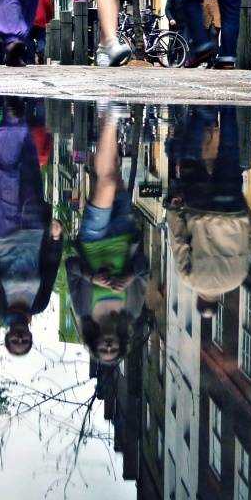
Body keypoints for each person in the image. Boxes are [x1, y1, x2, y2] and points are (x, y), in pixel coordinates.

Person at [0, 98, 64, 355]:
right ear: (30, 336)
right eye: (25, 343)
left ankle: (10, 113)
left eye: (15, 342)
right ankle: (23, 111)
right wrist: (56, 239)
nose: (20, 339)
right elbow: (50, 267)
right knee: (28, 166)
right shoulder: (40, 303)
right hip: (34, 226)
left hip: (3, 227)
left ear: (8, 337)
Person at [66, 102, 149, 364]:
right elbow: (145, 268)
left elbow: (70, 267)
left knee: (107, 182)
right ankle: (105, 111)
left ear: (95, 343)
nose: (109, 346)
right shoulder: (132, 310)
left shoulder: (83, 310)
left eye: (103, 349)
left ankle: (111, 118)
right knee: (112, 170)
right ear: (122, 344)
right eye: (113, 350)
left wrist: (91, 277)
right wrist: (129, 277)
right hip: (124, 234)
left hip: (94, 239)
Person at [167, 106, 251, 317]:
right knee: (190, 159)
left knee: (229, 153)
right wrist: (175, 212)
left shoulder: (238, 278)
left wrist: (245, 214)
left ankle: (228, 108)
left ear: (218, 301)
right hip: (200, 209)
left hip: (232, 210)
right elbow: (179, 241)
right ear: (198, 299)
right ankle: (202, 115)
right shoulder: (188, 279)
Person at [30, 0, 54, 64]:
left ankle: (30, 60)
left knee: (28, 39)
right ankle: (40, 51)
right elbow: (49, 7)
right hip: (40, 20)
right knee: (40, 38)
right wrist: (48, 19)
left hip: (28, 20)